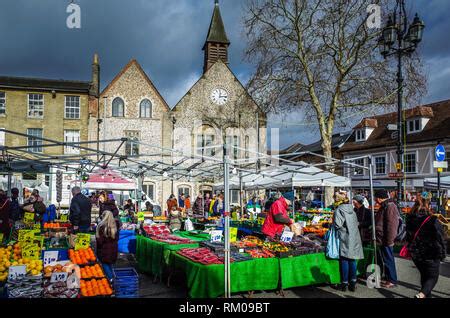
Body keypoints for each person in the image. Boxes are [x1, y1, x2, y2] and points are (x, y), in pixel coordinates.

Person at [406, 192, 447, 298]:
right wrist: (443, 253)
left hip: (416, 253)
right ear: (428, 205)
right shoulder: (432, 220)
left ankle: (425, 295)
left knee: (425, 276)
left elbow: (408, 235)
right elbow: (441, 237)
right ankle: (421, 294)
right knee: (433, 277)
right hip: (431, 252)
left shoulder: (410, 218)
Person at [333, 191, 364, 292]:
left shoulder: (339, 210)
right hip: (354, 236)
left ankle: (344, 283)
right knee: (352, 259)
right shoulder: (352, 209)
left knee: (345, 260)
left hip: (345, 237)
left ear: (337, 200)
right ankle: (353, 283)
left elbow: (337, 225)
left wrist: (329, 225)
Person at [374, 189, 399, 288]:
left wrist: (389, 240)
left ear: (379, 198)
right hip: (383, 238)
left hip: (387, 239)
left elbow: (392, 225)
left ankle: (392, 280)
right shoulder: (385, 205)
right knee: (386, 259)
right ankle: (389, 278)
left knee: (389, 260)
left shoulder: (390, 206)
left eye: (376, 197)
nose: (375, 199)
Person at [96, 210, 119, 280]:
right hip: (113, 249)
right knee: (110, 264)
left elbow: (100, 241)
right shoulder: (115, 225)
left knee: (105, 264)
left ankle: (111, 279)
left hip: (104, 250)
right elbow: (117, 238)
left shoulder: (101, 227)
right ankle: (114, 278)